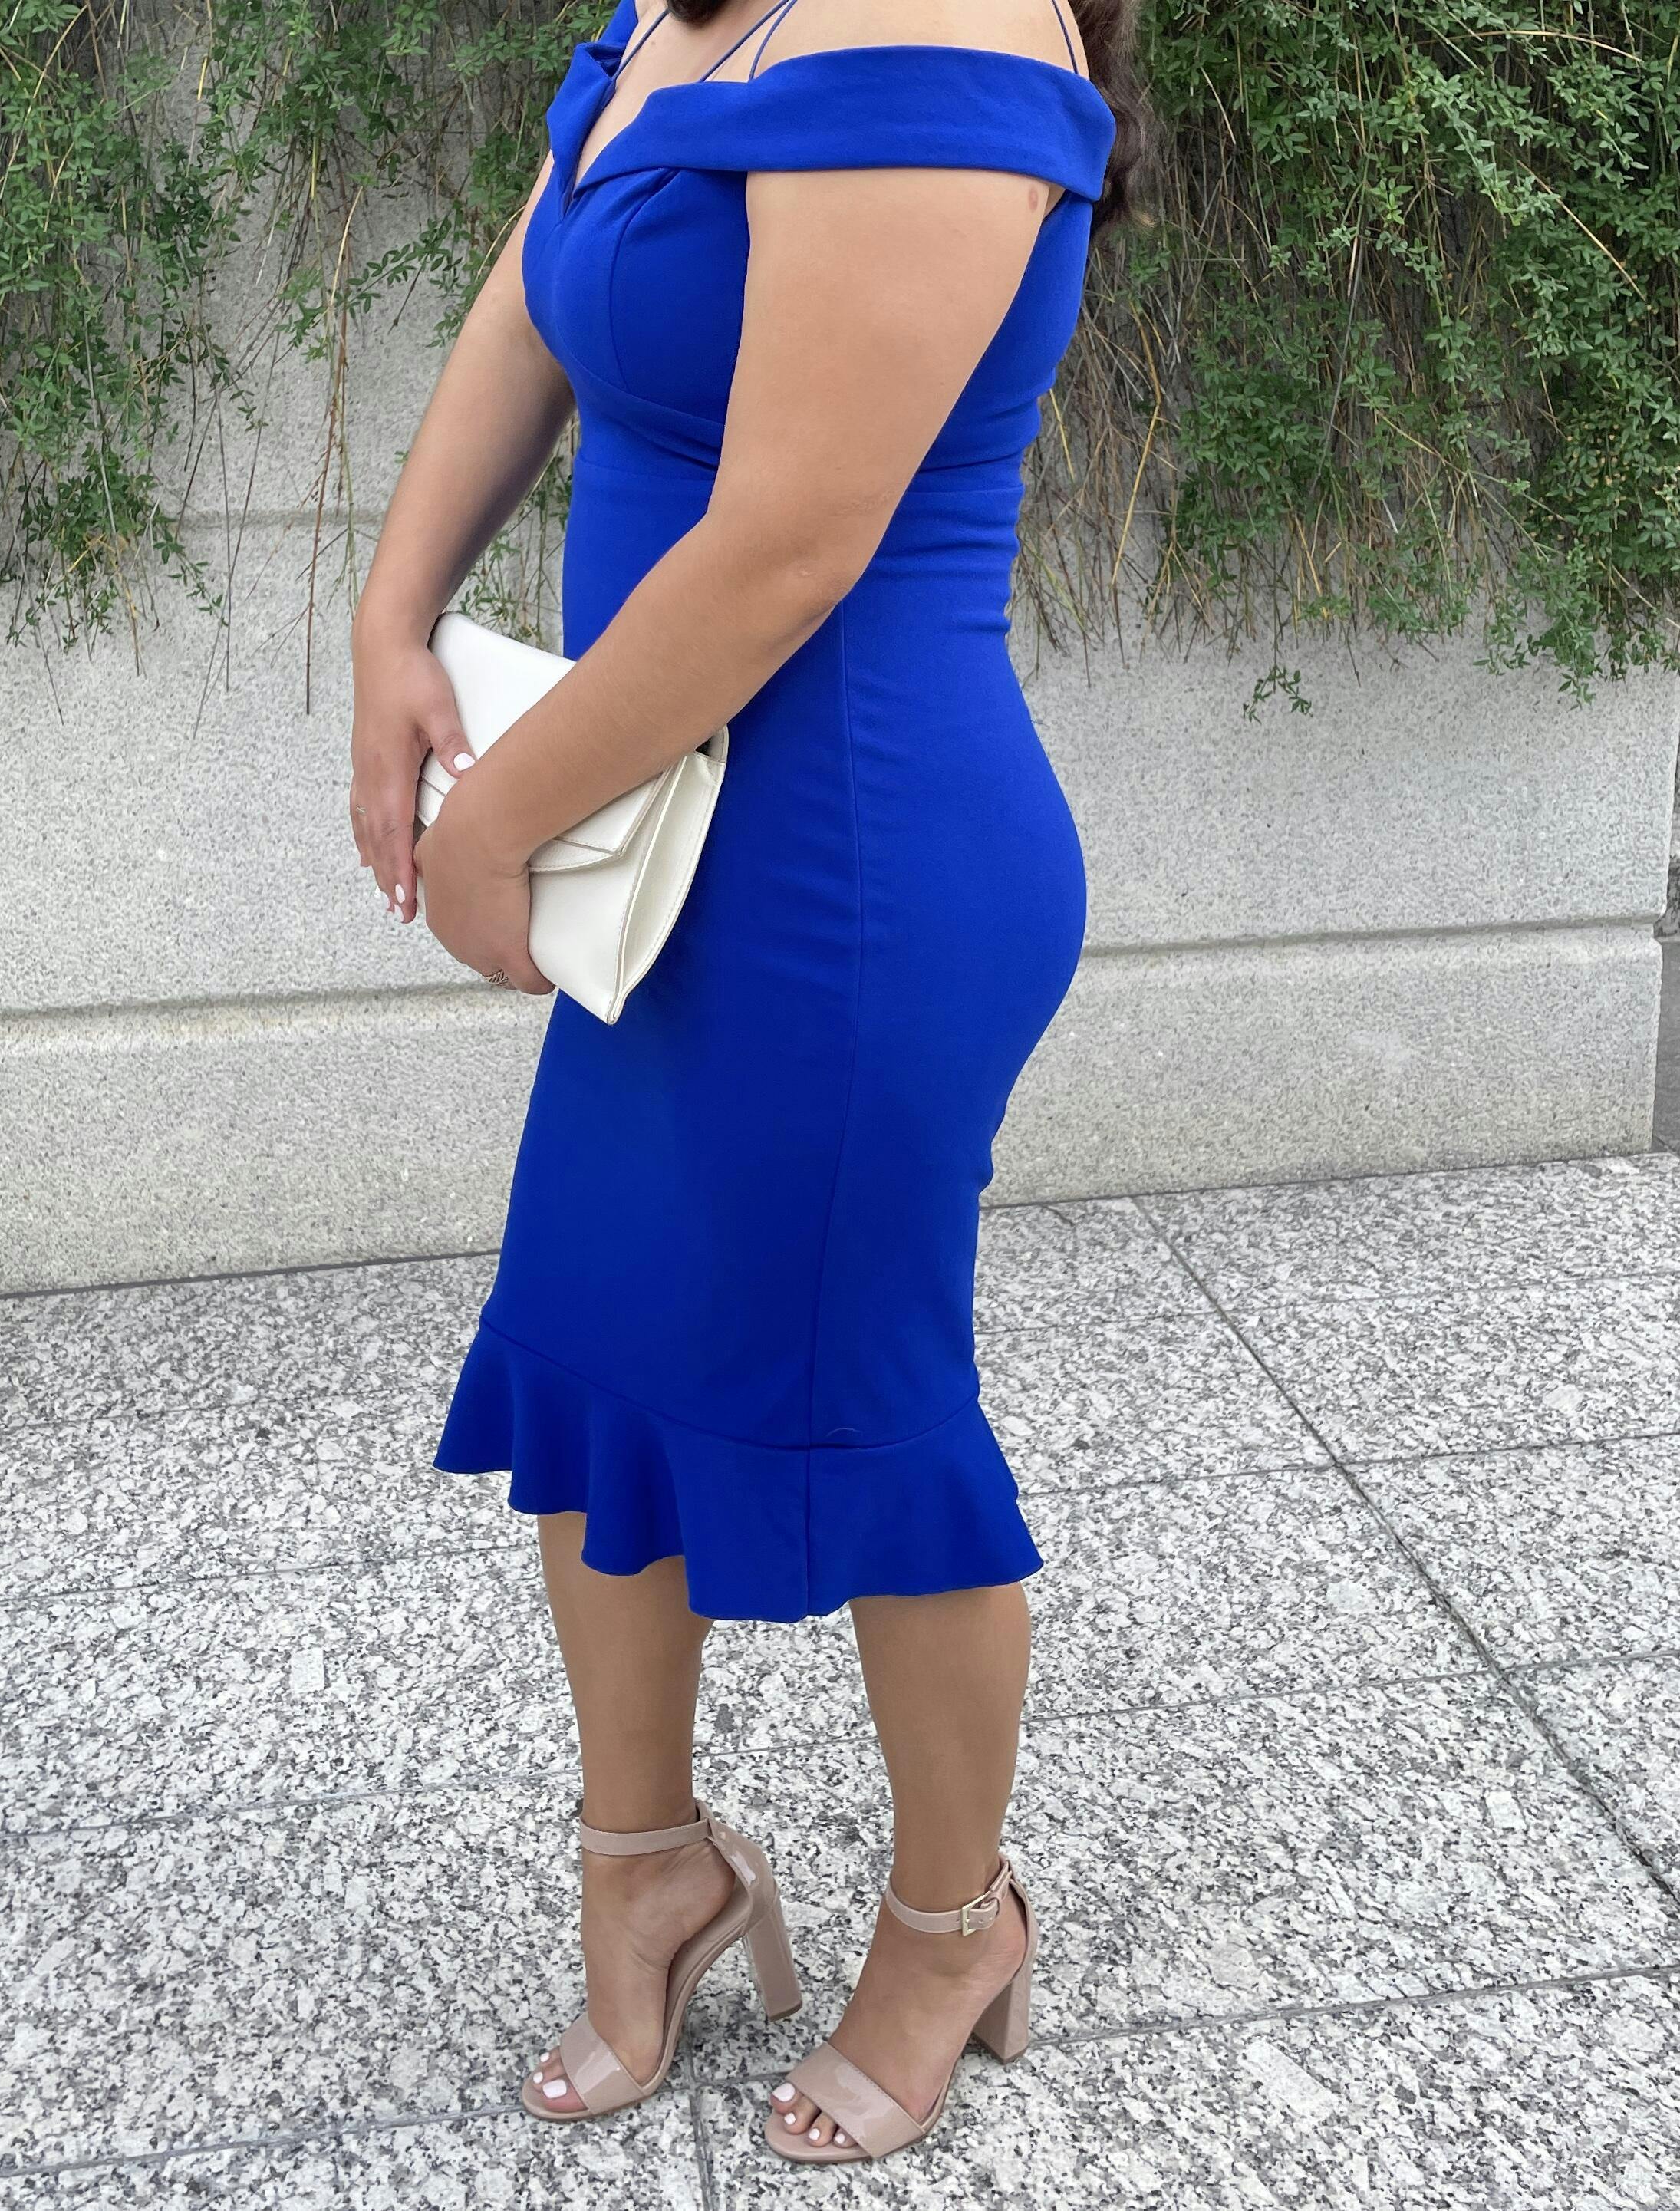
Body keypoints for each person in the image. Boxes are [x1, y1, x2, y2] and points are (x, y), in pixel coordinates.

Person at [348, 0, 1146, 2166]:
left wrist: (509, 817)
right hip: (663, 840)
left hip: (855, 870)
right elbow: (537, 292)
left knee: (868, 1401)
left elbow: (796, 531)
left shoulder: (944, 17)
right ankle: (650, 1869)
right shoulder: (687, 18)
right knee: (592, 1342)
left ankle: (953, 1926)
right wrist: (391, 618)